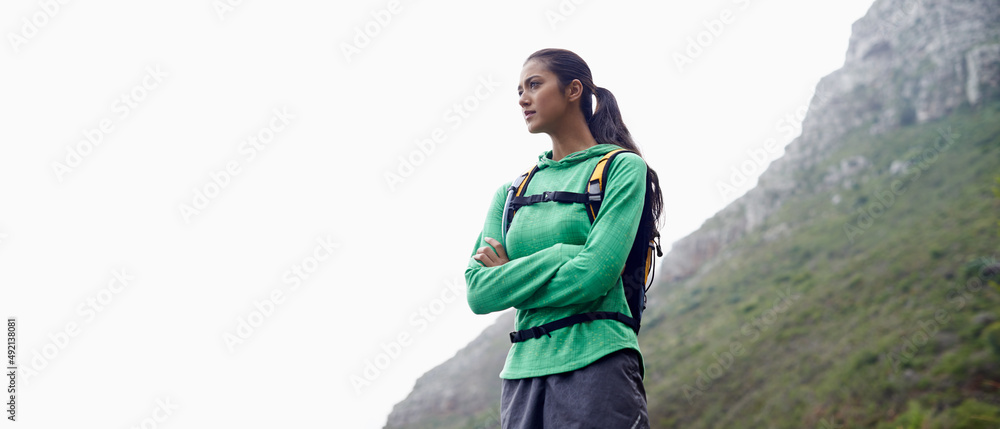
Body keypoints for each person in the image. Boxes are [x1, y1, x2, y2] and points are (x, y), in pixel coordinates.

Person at [465, 48, 663, 428]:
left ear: (574, 90)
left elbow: (596, 275)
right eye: (519, 90)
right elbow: (479, 292)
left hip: (599, 364)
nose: (523, 98)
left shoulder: (621, 169)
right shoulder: (509, 193)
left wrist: (512, 275)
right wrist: (561, 256)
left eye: (534, 85)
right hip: (521, 377)